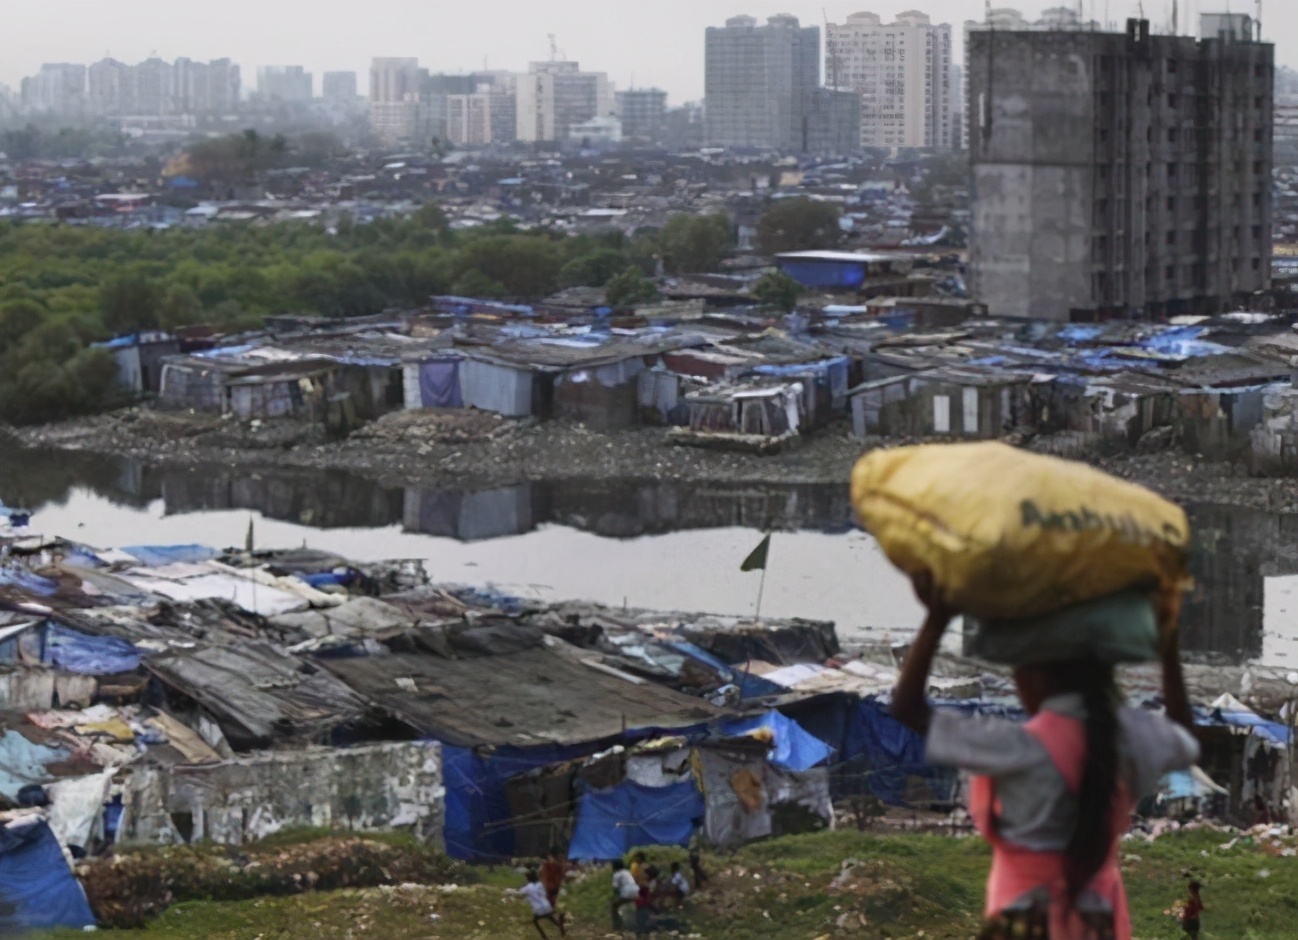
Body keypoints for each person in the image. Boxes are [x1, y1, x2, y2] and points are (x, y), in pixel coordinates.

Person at [891, 574, 1200, 940]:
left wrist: (938, 616)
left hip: (1023, 921)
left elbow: (908, 708)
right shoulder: (1134, 737)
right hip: (1097, 919)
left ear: (1036, 674)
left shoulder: (1015, 747)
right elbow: (1184, 734)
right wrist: (1168, 643)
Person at [519, 869, 566, 939]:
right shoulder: (540, 884)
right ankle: (561, 929)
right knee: (549, 916)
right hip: (547, 906)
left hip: (538, 909)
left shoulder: (528, 887)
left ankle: (544, 936)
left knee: (535, 921)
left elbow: (519, 893)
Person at [611, 858, 639, 931]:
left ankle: (617, 926)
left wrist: (615, 897)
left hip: (626, 894)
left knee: (614, 906)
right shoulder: (627, 872)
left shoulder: (616, 874)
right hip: (636, 892)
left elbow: (615, 889)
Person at [539, 847, 567, 911]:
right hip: (548, 894)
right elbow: (545, 883)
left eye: (563, 857)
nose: (563, 859)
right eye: (561, 857)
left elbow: (559, 883)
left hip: (553, 893)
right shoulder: (547, 866)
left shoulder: (559, 868)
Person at [687, 818, 708, 891]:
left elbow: (693, 845)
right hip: (696, 853)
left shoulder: (694, 833)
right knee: (696, 867)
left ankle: (698, 885)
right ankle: (704, 877)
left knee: (695, 869)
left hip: (693, 853)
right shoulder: (698, 832)